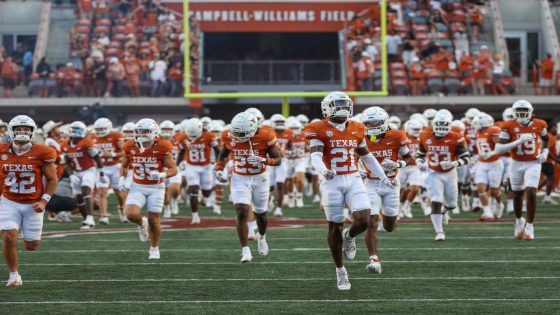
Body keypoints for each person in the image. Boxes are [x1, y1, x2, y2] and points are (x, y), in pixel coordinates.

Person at [303, 91, 394, 290]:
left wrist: (384, 177)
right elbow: (316, 155)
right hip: (332, 181)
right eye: (338, 104)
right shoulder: (317, 128)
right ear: (327, 108)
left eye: (345, 104)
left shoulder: (357, 127)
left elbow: (367, 157)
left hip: (353, 177)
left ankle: (350, 236)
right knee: (334, 226)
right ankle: (340, 271)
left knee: (364, 219)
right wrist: (324, 171)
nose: (343, 107)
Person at [215, 112, 281, 263]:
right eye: (235, 132)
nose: (237, 135)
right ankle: (245, 251)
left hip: (260, 178)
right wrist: (219, 169)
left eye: (241, 133)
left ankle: (262, 237)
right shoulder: (228, 135)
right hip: (239, 177)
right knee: (242, 211)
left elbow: (278, 160)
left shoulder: (265, 135)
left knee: (261, 215)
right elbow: (223, 154)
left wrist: (264, 160)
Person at [0, 115, 58, 287]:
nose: (22, 132)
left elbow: (52, 179)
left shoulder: (43, 152)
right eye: (18, 129)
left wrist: (44, 202)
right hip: (9, 201)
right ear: (12, 131)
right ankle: (13, 275)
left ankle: (27, 240)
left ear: (32, 132)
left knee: (31, 246)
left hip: (33, 203)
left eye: (26, 129)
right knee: (9, 237)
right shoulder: (2, 150)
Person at [481, 100, 548, 240]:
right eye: (519, 111)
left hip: (533, 162)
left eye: (524, 111)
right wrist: (519, 141)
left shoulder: (540, 124)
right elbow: (499, 149)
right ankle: (519, 220)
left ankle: (530, 226)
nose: (522, 114)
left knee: (531, 192)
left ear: (530, 112)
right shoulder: (508, 126)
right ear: (514, 112)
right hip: (516, 162)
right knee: (517, 194)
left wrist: (545, 152)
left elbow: (546, 138)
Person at [360, 106, 412, 273]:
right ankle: (374, 260)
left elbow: (409, 157)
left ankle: (384, 219)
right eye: (368, 123)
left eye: (375, 122)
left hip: (391, 184)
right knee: (370, 222)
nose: (372, 125)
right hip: (371, 183)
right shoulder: (360, 137)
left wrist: (398, 164)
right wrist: (357, 170)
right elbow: (352, 157)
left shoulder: (397, 135)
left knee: (390, 226)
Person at [119, 119, 177, 259]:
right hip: (137, 186)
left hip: (156, 188)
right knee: (130, 214)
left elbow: (173, 169)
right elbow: (124, 165)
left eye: (145, 131)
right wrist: (122, 178)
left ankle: (154, 248)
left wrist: (162, 174)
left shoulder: (163, 146)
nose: (141, 134)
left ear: (154, 132)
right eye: (139, 131)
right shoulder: (130, 146)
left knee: (154, 219)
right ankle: (141, 223)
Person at [416, 110, 470, 241]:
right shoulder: (424, 135)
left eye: (444, 125)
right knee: (436, 199)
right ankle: (439, 232)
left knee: (452, 204)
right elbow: (420, 154)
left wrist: (454, 163)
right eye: (438, 125)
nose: (441, 128)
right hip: (433, 173)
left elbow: (466, 158)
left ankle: (445, 211)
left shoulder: (456, 137)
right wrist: (419, 163)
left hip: (450, 174)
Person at [61, 121, 105, 230]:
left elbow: (97, 158)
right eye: (73, 129)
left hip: (89, 170)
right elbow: (66, 162)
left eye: (78, 129)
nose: (75, 132)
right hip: (76, 172)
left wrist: (101, 173)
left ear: (83, 132)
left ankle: (90, 217)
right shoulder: (64, 145)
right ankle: (87, 219)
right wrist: (71, 175)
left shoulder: (87, 143)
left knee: (85, 190)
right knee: (78, 197)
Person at [176, 118, 219, 224]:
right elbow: (181, 152)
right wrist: (176, 166)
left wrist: (219, 163)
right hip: (191, 166)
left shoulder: (209, 136)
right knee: (193, 190)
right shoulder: (183, 137)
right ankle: (195, 216)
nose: (192, 138)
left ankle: (203, 195)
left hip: (206, 167)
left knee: (207, 193)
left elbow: (218, 150)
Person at [91, 117, 127, 224]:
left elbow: (125, 152)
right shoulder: (93, 137)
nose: (100, 131)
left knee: (119, 192)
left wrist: (112, 154)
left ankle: (122, 209)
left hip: (115, 166)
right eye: (98, 129)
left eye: (102, 129)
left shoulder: (116, 135)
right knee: (102, 192)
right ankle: (104, 216)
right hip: (101, 168)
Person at [472, 113, 504, 220]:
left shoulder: (493, 130)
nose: (475, 125)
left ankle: (500, 205)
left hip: (494, 163)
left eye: (476, 123)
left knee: (494, 191)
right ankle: (487, 212)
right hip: (482, 163)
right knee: (480, 188)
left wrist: (490, 153)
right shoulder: (478, 132)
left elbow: (500, 146)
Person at [269, 114, 293, 217]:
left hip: (282, 162)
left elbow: (291, 148)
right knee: (269, 186)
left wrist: (287, 152)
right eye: (278, 123)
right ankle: (269, 200)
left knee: (280, 184)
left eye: (282, 123)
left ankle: (278, 208)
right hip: (270, 161)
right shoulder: (269, 133)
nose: (280, 125)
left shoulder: (289, 132)